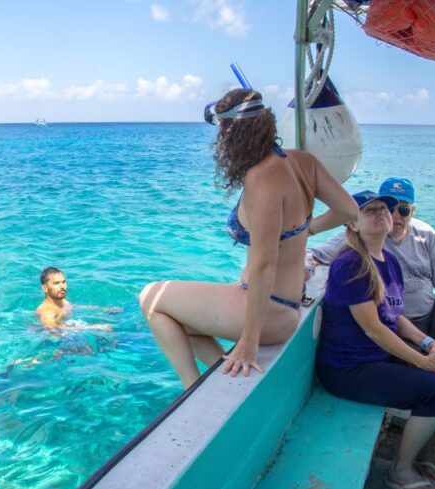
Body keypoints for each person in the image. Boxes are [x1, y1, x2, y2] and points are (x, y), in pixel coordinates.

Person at [138, 88, 357, 388]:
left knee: (151, 298)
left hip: (268, 311)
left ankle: (190, 386)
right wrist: (308, 229)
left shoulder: (261, 178)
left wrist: (248, 343)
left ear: (232, 134)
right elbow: (348, 209)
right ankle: (214, 376)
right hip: (285, 303)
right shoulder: (302, 161)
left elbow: (264, 264)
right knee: (181, 318)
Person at [316, 190, 435, 489]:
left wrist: (428, 344)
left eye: (384, 208)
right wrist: (422, 362)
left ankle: (424, 452)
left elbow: (395, 318)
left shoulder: (390, 261)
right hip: (348, 369)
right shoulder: (350, 264)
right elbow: (373, 330)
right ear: (353, 224)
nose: (382, 213)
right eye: (370, 210)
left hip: (378, 358)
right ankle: (399, 470)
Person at [310, 177, 435, 342]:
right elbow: (317, 254)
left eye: (403, 210)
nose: (395, 216)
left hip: (429, 313)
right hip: (395, 322)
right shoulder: (366, 233)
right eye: (389, 208)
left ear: (413, 210)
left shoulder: (426, 234)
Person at [35, 267, 113, 331]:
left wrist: (101, 309)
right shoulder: (47, 312)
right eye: (56, 283)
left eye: (63, 282)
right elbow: (53, 328)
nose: (62, 286)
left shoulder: (62, 302)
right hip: (53, 341)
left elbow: (74, 307)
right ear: (45, 288)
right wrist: (92, 327)